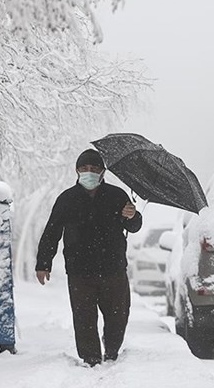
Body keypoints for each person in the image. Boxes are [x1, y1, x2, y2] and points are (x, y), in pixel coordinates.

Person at [35, 148, 142, 367]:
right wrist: (43, 264)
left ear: (103, 172)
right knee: (84, 318)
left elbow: (134, 225)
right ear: (77, 171)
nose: (89, 172)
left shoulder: (117, 195)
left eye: (94, 168)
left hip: (113, 269)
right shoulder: (66, 199)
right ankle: (90, 358)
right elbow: (51, 233)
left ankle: (112, 350)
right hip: (79, 270)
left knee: (117, 316)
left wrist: (133, 215)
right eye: (84, 168)